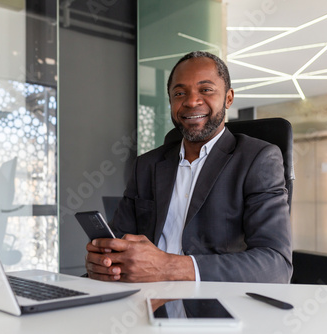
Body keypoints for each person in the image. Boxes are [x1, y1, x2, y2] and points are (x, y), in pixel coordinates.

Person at [85, 51, 292, 283]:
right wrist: (104, 263)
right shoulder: (147, 165)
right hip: (144, 304)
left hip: (214, 311)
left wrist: (169, 267)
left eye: (206, 90)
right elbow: (120, 243)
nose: (192, 101)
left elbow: (276, 265)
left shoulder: (258, 159)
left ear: (228, 98)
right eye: (180, 93)